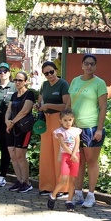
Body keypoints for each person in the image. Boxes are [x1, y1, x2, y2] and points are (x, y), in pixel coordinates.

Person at [68, 54, 108, 208]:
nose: (89, 66)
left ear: (95, 66)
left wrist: (99, 129)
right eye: (86, 63)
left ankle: (91, 195)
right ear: (82, 65)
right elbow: (69, 103)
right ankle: (78, 192)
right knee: (79, 161)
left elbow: (103, 107)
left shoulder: (99, 83)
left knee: (91, 161)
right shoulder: (75, 81)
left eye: (92, 64)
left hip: (91, 127)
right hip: (75, 127)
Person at [35, 61, 70, 195]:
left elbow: (66, 104)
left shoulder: (63, 84)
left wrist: (49, 105)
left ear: (56, 70)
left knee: (59, 153)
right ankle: (47, 186)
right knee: (46, 153)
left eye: (51, 72)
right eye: (46, 73)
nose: (49, 75)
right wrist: (39, 106)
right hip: (46, 120)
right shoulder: (44, 85)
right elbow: (40, 101)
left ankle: (62, 188)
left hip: (58, 119)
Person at [4, 71, 36, 192]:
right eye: (15, 80)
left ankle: (27, 182)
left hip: (23, 128)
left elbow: (25, 111)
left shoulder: (29, 94)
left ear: (25, 81)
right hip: (11, 128)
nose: (17, 82)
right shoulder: (13, 95)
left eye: (20, 80)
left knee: (20, 155)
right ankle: (19, 180)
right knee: (12, 154)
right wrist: (7, 121)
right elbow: (8, 110)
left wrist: (12, 122)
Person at [48, 108, 82, 211]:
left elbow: (77, 142)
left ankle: (69, 201)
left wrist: (75, 154)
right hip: (66, 156)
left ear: (73, 120)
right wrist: (71, 154)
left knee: (73, 180)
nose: (68, 122)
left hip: (75, 156)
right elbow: (62, 144)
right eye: (65, 120)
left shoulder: (76, 131)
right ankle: (53, 196)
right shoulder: (59, 132)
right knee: (63, 179)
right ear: (61, 121)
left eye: (70, 120)